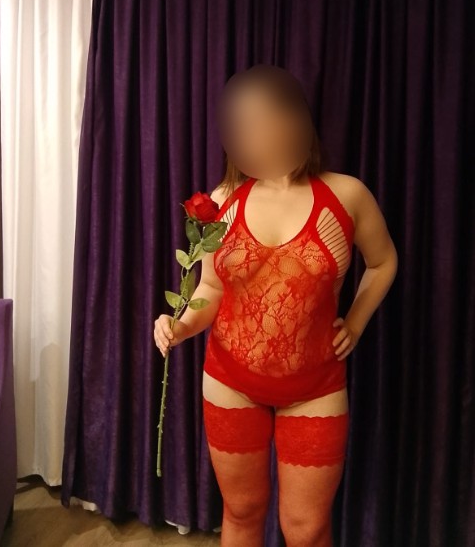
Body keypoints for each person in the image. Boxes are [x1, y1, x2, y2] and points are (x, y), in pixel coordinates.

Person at [153, 64, 398, 547]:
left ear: (299, 122)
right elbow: (212, 290)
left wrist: (356, 321)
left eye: (271, 123)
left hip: (315, 388)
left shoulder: (346, 195)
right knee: (242, 511)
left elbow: (383, 261)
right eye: (248, 127)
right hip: (229, 383)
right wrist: (181, 326)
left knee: (307, 529)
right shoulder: (222, 201)